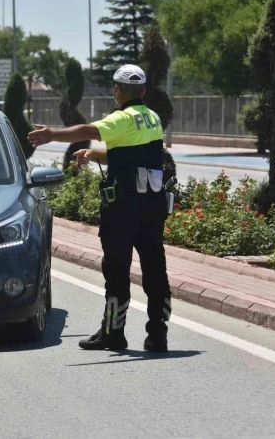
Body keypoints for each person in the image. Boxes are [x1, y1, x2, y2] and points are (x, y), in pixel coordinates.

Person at [27, 64, 171, 353]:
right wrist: (94, 154)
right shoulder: (151, 118)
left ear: (118, 91)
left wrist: (53, 133)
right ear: (142, 91)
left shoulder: (121, 118)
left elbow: (87, 129)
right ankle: (158, 334)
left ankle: (113, 333)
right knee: (155, 268)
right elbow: (129, 154)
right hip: (152, 206)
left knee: (116, 271)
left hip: (123, 210)